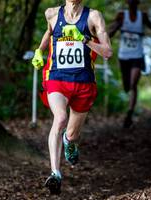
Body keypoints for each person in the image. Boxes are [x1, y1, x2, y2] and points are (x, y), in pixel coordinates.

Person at [32, 0, 112, 195]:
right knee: (60, 119)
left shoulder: (94, 17)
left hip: (84, 82)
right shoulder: (51, 13)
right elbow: (49, 32)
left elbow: (108, 52)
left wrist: (84, 39)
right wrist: (39, 51)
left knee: (72, 134)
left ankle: (70, 142)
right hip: (57, 77)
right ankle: (55, 173)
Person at [108, 0, 151, 128]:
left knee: (134, 84)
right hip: (123, 56)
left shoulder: (143, 16)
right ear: (127, 2)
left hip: (137, 55)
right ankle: (129, 103)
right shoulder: (122, 15)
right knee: (127, 87)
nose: (131, 2)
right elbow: (113, 28)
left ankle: (129, 113)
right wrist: (107, 35)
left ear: (137, 2)